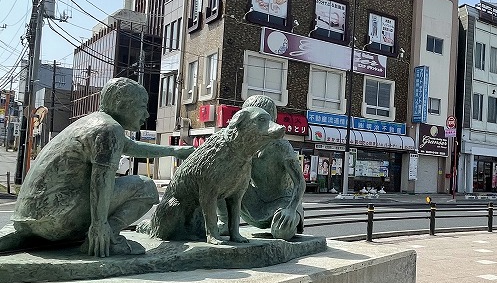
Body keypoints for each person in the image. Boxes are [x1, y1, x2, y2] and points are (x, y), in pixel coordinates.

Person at [0, 77, 193, 257]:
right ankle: (108, 237)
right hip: (59, 218)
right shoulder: (108, 129)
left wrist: (174, 151)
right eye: (142, 107)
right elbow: (101, 180)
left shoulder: (92, 123)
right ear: (120, 102)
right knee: (146, 187)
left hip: (31, 219)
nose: (146, 114)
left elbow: (132, 147)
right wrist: (99, 225)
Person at [220, 94, 304, 240]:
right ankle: (225, 221)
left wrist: (291, 209)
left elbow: (300, 182)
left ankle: (291, 219)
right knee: (220, 180)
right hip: (255, 203)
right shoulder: (242, 146)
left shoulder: (282, 147)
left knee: (281, 233)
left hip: (283, 204)